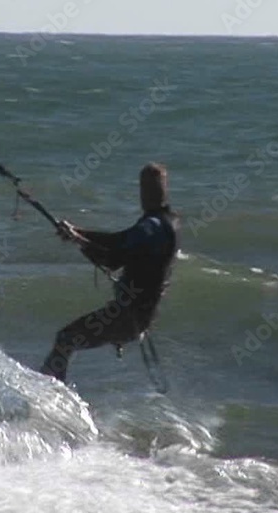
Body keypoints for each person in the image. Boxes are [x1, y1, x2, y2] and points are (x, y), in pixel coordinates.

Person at [40, 163, 179, 382]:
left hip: (127, 316)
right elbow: (118, 241)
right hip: (140, 315)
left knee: (66, 339)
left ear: (145, 192)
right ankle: (54, 391)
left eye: (146, 188)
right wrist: (78, 233)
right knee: (68, 339)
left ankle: (51, 396)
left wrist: (77, 240)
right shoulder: (167, 223)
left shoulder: (150, 227)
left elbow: (112, 259)